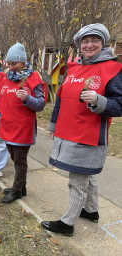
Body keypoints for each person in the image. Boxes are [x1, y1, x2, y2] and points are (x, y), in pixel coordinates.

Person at [41, 23, 122, 236]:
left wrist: (98, 100)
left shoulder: (113, 69)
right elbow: (61, 98)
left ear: (103, 42)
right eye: (85, 41)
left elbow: (119, 105)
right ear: (79, 44)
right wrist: (52, 124)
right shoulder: (73, 67)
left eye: (95, 40)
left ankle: (67, 223)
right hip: (66, 131)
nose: (89, 45)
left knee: (77, 180)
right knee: (88, 176)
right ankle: (92, 210)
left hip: (89, 136)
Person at [0, 43, 45, 203]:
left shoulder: (33, 78)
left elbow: (40, 104)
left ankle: (17, 190)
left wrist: (27, 98)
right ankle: (21, 186)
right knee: (13, 157)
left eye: (14, 64)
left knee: (20, 160)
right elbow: (1, 100)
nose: (10, 67)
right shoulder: (6, 78)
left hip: (22, 128)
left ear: (23, 62)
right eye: (8, 64)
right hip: (8, 125)